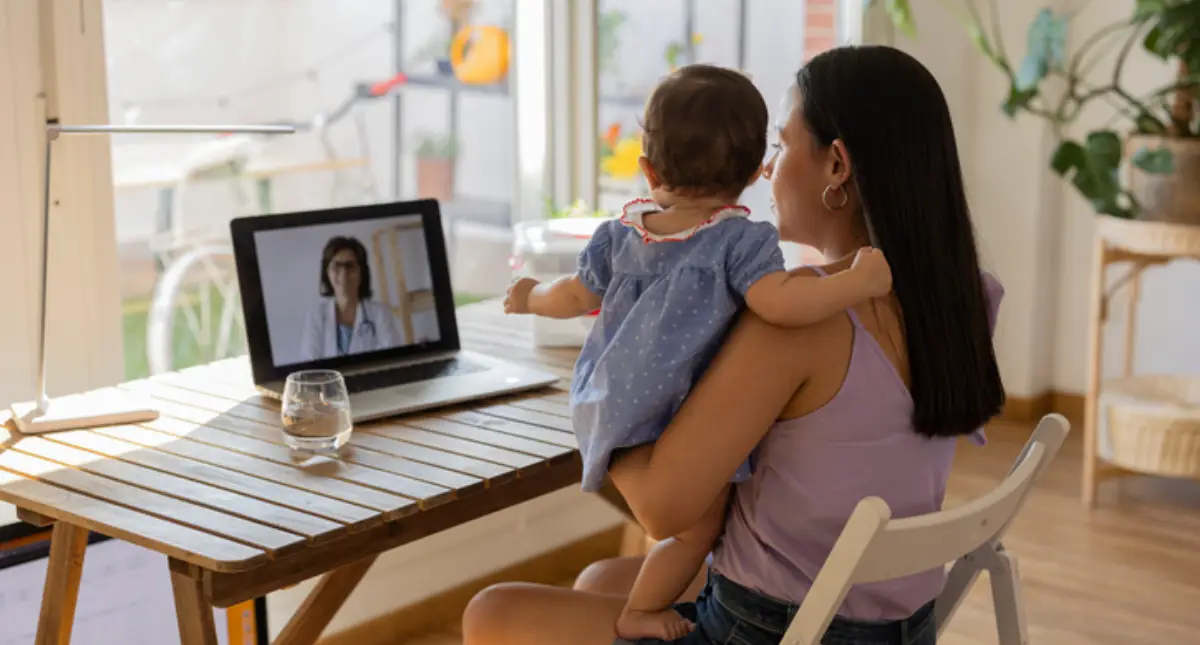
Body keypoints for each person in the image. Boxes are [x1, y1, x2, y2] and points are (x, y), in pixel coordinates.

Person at [464, 44, 1006, 645]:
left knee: (490, 612)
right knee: (600, 579)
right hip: (888, 621)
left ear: (836, 167)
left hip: (775, 627)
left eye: (780, 144)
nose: (767, 169)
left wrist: (607, 398)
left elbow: (662, 510)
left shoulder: (802, 324)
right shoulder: (966, 300)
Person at [503, 64, 892, 641]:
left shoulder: (620, 233)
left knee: (584, 579)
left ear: (648, 169)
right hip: (675, 414)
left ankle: (635, 607)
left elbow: (574, 297)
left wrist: (531, 296)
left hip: (607, 405)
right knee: (695, 532)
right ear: (752, 174)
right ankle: (640, 610)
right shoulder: (739, 240)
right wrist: (854, 284)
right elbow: (782, 302)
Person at [300, 235, 405, 361]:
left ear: (362, 273)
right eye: (337, 266)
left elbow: (393, 359)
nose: (344, 275)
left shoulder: (379, 313)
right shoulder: (316, 315)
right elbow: (309, 365)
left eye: (350, 267)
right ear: (327, 272)